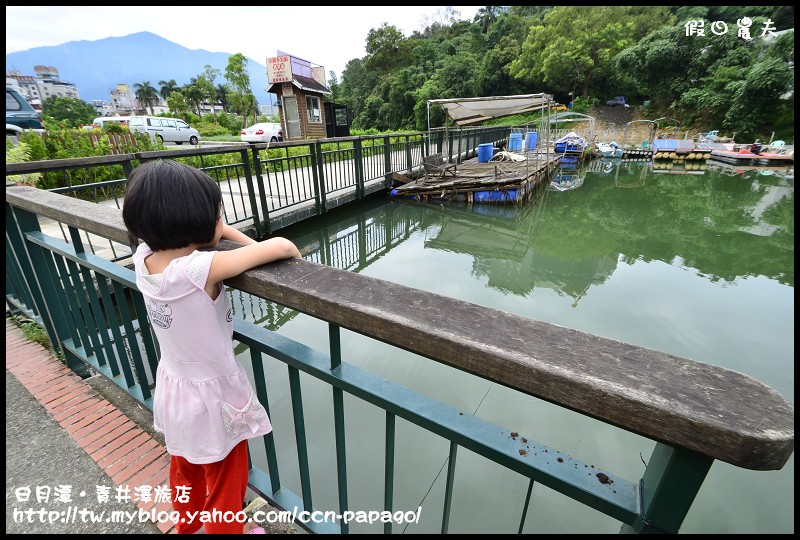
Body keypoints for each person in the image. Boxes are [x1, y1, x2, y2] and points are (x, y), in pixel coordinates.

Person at [122, 159, 301, 534]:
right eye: (216, 212)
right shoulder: (200, 269)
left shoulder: (144, 259)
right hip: (214, 400)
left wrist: (212, 226)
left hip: (174, 390)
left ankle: (187, 530)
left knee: (184, 470)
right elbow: (282, 246)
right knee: (226, 482)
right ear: (198, 220)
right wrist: (227, 232)